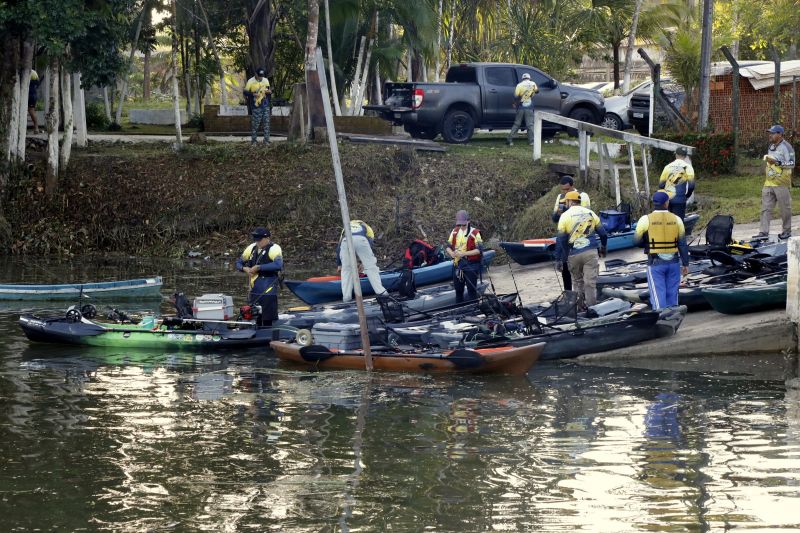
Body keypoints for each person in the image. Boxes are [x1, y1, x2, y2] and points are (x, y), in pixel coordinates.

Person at [633, 191, 690, 310]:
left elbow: (636, 241)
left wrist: (648, 244)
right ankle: (673, 318)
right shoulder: (677, 219)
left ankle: (661, 320)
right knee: (672, 295)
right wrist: (685, 264)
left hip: (655, 263)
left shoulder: (645, 219)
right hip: (673, 262)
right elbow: (683, 244)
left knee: (658, 296)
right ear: (666, 203)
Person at [556, 191, 607, 310]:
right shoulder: (590, 213)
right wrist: (603, 248)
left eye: (566, 202)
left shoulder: (564, 216)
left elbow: (561, 240)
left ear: (569, 202)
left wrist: (561, 259)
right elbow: (603, 234)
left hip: (573, 254)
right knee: (590, 282)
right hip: (590, 252)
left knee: (577, 282)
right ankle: (593, 309)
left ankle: (580, 309)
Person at [236, 227, 283, 333]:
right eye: (256, 239)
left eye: (260, 240)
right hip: (254, 289)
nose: (257, 242)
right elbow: (238, 263)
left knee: (267, 319)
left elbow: (278, 265)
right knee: (255, 315)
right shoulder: (252, 248)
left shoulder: (274, 248)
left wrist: (259, 267)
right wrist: (244, 268)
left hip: (268, 289)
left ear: (267, 238)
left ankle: (267, 333)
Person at [755, 124, 795, 239]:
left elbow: (792, 164)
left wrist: (778, 163)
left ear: (780, 134)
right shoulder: (771, 146)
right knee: (765, 208)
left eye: (772, 133)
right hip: (768, 183)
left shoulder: (787, 147)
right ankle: (763, 232)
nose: (770, 135)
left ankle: (787, 231)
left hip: (782, 183)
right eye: (770, 133)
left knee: (784, 209)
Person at [552, 176, 591, 291]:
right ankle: (568, 294)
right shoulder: (560, 197)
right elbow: (554, 218)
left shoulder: (583, 196)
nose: (565, 192)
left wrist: (568, 211)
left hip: (580, 236)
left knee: (582, 269)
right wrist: (559, 213)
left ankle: (584, 294)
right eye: (563, 190)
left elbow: (588, 215)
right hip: (565, 236)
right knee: (565, 268)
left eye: (567, 189)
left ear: (572, 186)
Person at [336, 220, 387, 302]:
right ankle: (382, 292)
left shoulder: (345, 228)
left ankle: (346, 298)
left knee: (346, 270)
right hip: (362, 240)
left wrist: (339, 264)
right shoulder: (367, 228)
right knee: (371, 268)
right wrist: (364, 263)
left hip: (345, 241)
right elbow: (369, 244)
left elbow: (339, 247)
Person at [446, 210, 484, 303]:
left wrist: (463, 254)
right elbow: (448, 247)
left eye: (463, 224)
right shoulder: (454, 231)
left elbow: (479, 250)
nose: (461, 227)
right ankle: (460, 311)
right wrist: (452, 253)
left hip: (471, 265)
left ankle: (474, 311)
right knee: (458, 291)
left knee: (471, 291)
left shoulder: (475, 233)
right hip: (457, 265)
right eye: (459, 225)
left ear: (468, 221)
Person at [657, 146, 695, 220]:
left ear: (676, 154)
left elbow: (661, 185)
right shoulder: (688, 167)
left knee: (668, 222)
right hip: (680, 200)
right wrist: (686, 196)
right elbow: (691, 186)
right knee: (678, 223)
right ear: (686, 156)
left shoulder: (667, 167)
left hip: (668, 200)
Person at [506, 73, 539, 146]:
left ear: (522, 78)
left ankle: (510, 140)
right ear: (529, 78)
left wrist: (514, 103)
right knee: (530, 124)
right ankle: (531, 141)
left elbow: (516, 96)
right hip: (529, 105)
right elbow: (537, 91)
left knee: (517, 123)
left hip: (521, 106)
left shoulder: (519, 85)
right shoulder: (533, 83)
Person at [243, 67, 272, 145]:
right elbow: (245, 92)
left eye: (262, 75)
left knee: (266, 124)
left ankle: (266, 141)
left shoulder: (265, 80)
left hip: (265, 105)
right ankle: (254, 141)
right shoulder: (250, 81)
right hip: (256, 106)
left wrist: (269, 91)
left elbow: (268, 89)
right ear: (255, 74)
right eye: (259, 75)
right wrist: (253, 94)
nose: (260, 77)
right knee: (255, 125)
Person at [28, 69, 40, 134]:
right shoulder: (34, 72)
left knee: (31, 110)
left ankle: (36, 127)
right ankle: (36, 128)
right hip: (33, 93)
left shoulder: (30, 71)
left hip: (30, 94)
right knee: (31, 110)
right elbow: (38, 83)